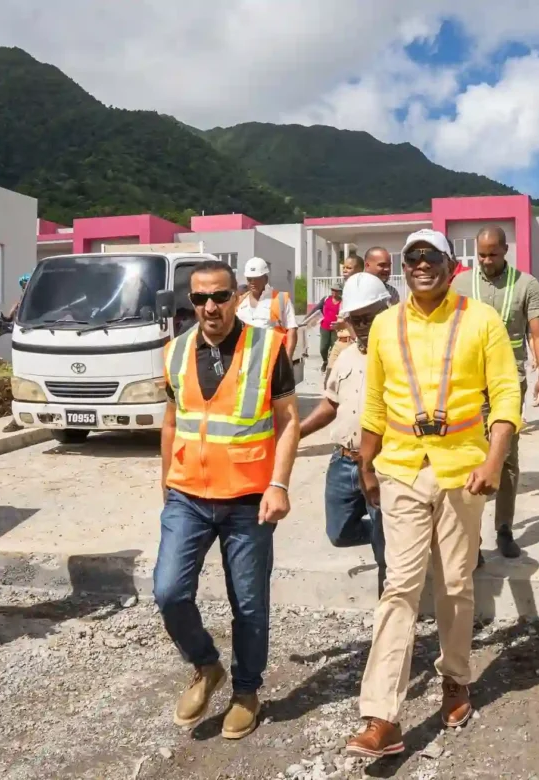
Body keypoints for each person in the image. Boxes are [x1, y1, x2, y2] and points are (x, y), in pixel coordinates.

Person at [345, 229, 521, 758]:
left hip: (463, 470)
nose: (421, 264)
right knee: (399, 585)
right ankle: (381, 715)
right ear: (403, 267)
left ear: (451, 265)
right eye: (412, 258)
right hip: (401, 467)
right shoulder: (384, 325)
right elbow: (375, 403)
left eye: (431, 257)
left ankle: (455, 678)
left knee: (455, 584)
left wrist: (494, 460)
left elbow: (505, 394)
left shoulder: (481, 320)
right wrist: (367, 465)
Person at [153, 259, 300, 740]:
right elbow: (171, 421)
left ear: (236, 297)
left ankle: (246, 691)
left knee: (249, 604)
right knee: (169, 591)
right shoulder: (175, 351)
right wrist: (165, 480)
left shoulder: (267, 347)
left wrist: (279, 484)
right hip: (188, 496)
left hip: (248, 500)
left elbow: (288, 421)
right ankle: (205, 664)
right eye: (200, 298)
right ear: (191, 302)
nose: (210, 307)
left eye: (220, 296)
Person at [451, 225, 539, 560]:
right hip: (468, 382)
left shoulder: (526, 285)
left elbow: (538, 333)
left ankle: (504, 528)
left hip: (509, 382)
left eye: (492, 254)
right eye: (480, 254)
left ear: (506, 250)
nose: (486, 260)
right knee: (470, 454)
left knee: (506, 454)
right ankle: (472, 536)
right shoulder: (461, 284)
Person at [299, 272, 392, 597]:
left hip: (380, 464)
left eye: (369, 317)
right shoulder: (346, 356)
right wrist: (296, 433)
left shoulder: (400, 355)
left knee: (385, 551)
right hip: (343, 462)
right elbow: (330, 403)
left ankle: (390, 612)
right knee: (339, 533)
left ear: (385, 311)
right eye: (356, 319)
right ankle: (405, 535)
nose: (362, 326)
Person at [236, 257, 298, 360]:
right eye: (250, 279)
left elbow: (292, 329)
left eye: (256, 279)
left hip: (273, 358)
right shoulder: (240, 302)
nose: (252, 282)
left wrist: (288, 359)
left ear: (265, 279)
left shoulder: (281, 299)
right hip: (245, 358)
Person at [0, 273, 31, 433]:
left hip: (37, 343)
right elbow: (8, 316)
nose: (25, 288)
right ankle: (17, 419)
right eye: (23, 286)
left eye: (26, 285)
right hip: (22, 344)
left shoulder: (39, 300)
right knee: (21, 380)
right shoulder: (20, 302)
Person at [312, 281, 342, 372]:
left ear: (340, 292)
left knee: (334, 347)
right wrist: (307, 319)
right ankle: (325, 361)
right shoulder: (326, 299)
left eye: (336, 290)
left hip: (335, 328)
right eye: (332, 290)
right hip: (324, 327)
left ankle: (331, 365)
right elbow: (316, 309)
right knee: (323, 347)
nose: (334, 292)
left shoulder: (342, 302)